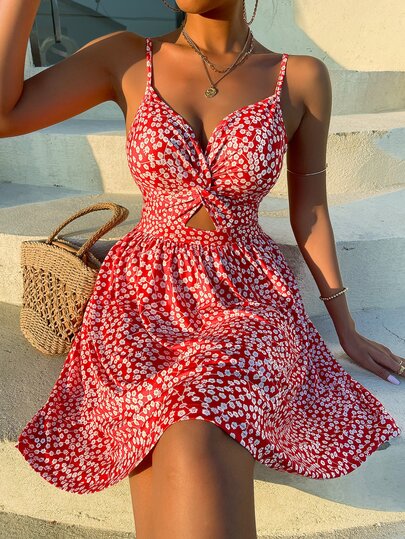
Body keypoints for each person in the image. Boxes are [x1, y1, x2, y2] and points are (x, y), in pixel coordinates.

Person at [1, 1, 403, 538]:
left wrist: (344, 326)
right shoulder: (126, 57)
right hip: (142, 295)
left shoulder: (300, 77)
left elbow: (310, 209)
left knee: (196, 425)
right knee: (156, 438)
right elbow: (5, 116)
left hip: (246, 292)